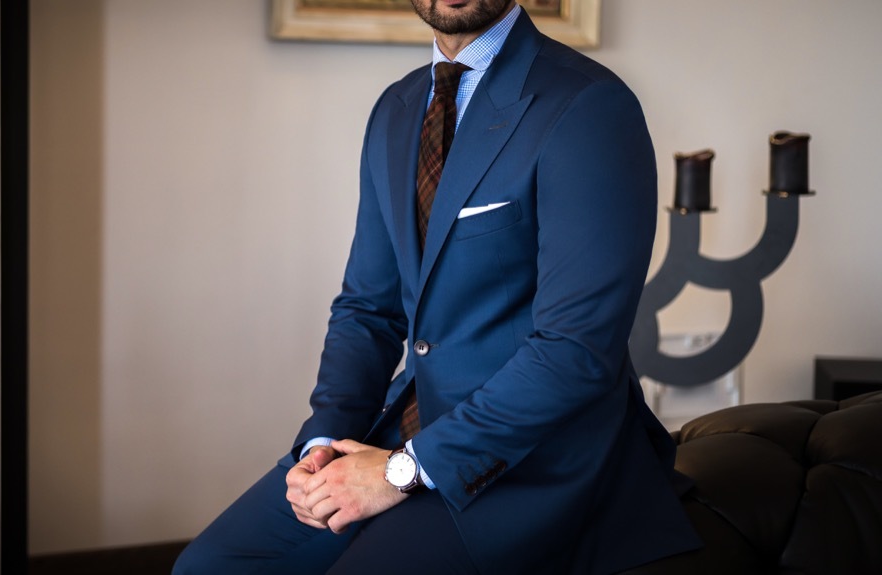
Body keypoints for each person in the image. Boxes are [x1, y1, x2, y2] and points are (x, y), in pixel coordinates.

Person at [174, 1, 701, 573]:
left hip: (541, 460)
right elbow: (368, 309)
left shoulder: (588, 105)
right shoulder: (395, 109)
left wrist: (403, 470)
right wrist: (324, 440)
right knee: (208, 565)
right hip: (411, 423)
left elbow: (575, 351)